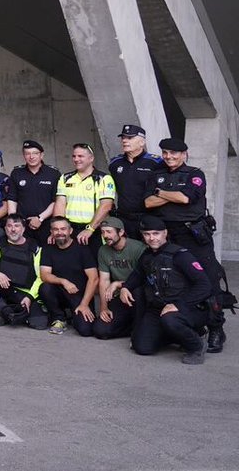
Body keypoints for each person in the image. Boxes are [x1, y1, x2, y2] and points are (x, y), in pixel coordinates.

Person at [144, 137, 226, 353]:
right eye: (165, 153)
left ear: (184, 154)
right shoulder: (156, 174)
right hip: (167, 236)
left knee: (208, 280)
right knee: (171, 280)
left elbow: (185, 199)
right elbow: (147, 202)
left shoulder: (195, 174)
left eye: (174, 153)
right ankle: (183, 323)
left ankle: (216, 327)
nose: (169, 157)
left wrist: (160, 193)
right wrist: (170, 196)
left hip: (193, 235)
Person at [120, 215, 213, 364]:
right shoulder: (147, 255)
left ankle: (197, 344)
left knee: (170, 320)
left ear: (165, 233)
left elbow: (204, 286)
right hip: (157, 308)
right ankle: (177, 335)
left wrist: (178, 305)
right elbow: (137, 275)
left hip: (186, 308)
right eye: (147, 234)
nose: (152, 238)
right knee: (142, 347)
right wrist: (125, 288)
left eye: (156, 233)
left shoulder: (180, 255)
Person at [0, 214, 46, 329]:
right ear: (5, 229)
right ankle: (5, 312)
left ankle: (10, 314)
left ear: (23, 229)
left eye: (16, 226)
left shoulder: (35, 248)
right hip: (4, 289)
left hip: (25, 293)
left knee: (39, 324)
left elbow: (41, 277)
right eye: (9, 226)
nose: (13, 229)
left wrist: (30, 297)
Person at [39, 216, 99, 336]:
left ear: (70, 231)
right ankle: (59, 318)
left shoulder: (83, 249)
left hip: (80, 295)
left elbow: (94, 278)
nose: (59, 232)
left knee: (85, 330)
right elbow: (44, 275)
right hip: (60, 292)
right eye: (55, 229)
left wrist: (84, 304)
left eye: (63, 229)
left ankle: (74, 315)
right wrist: (63, 281)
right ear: (51, 232)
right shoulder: (48, 248)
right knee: (45, 288)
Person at [53, 143, 115, 249]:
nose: (76, 159)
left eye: (80, 156)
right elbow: (60, 203)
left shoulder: (104, 179)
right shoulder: (65, 178)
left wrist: (90, 229)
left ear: (91, 158)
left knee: (94, 263)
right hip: (70, 229)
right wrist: (58, 228)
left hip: (94, 229)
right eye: (74, 156)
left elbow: (106, 206)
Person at [93, 216, 145, 340]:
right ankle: (132, 327)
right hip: (119, 297)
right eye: (103, 232)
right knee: (100, 330)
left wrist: (119, 284)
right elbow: (104, 280)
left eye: (109, 232)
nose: (105, 235)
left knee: (138, 292)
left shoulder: (138, 248)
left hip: (139, 295)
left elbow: (144, 278)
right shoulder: (103, 250)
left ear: (121, 232)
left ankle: (140, 329)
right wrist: (103, 308)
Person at [109, 124, 161, 238]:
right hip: (123, 218)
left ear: (142, 142)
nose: (125, 141)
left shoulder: (155, 162)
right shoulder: (115, 163)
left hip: (149, 217)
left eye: (130, 138)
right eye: (123, 138)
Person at [6, 140, 60, 244]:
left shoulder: (53, 174)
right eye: (27, 154)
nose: (31, 157)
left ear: (42, 155)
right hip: (22, 225)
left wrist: (40, 218)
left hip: (45, 224)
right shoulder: (17, 173)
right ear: (24, 156)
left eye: (35, 153)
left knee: (45, 256)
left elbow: (56, 201)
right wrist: (13, 222)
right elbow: (12, 199)